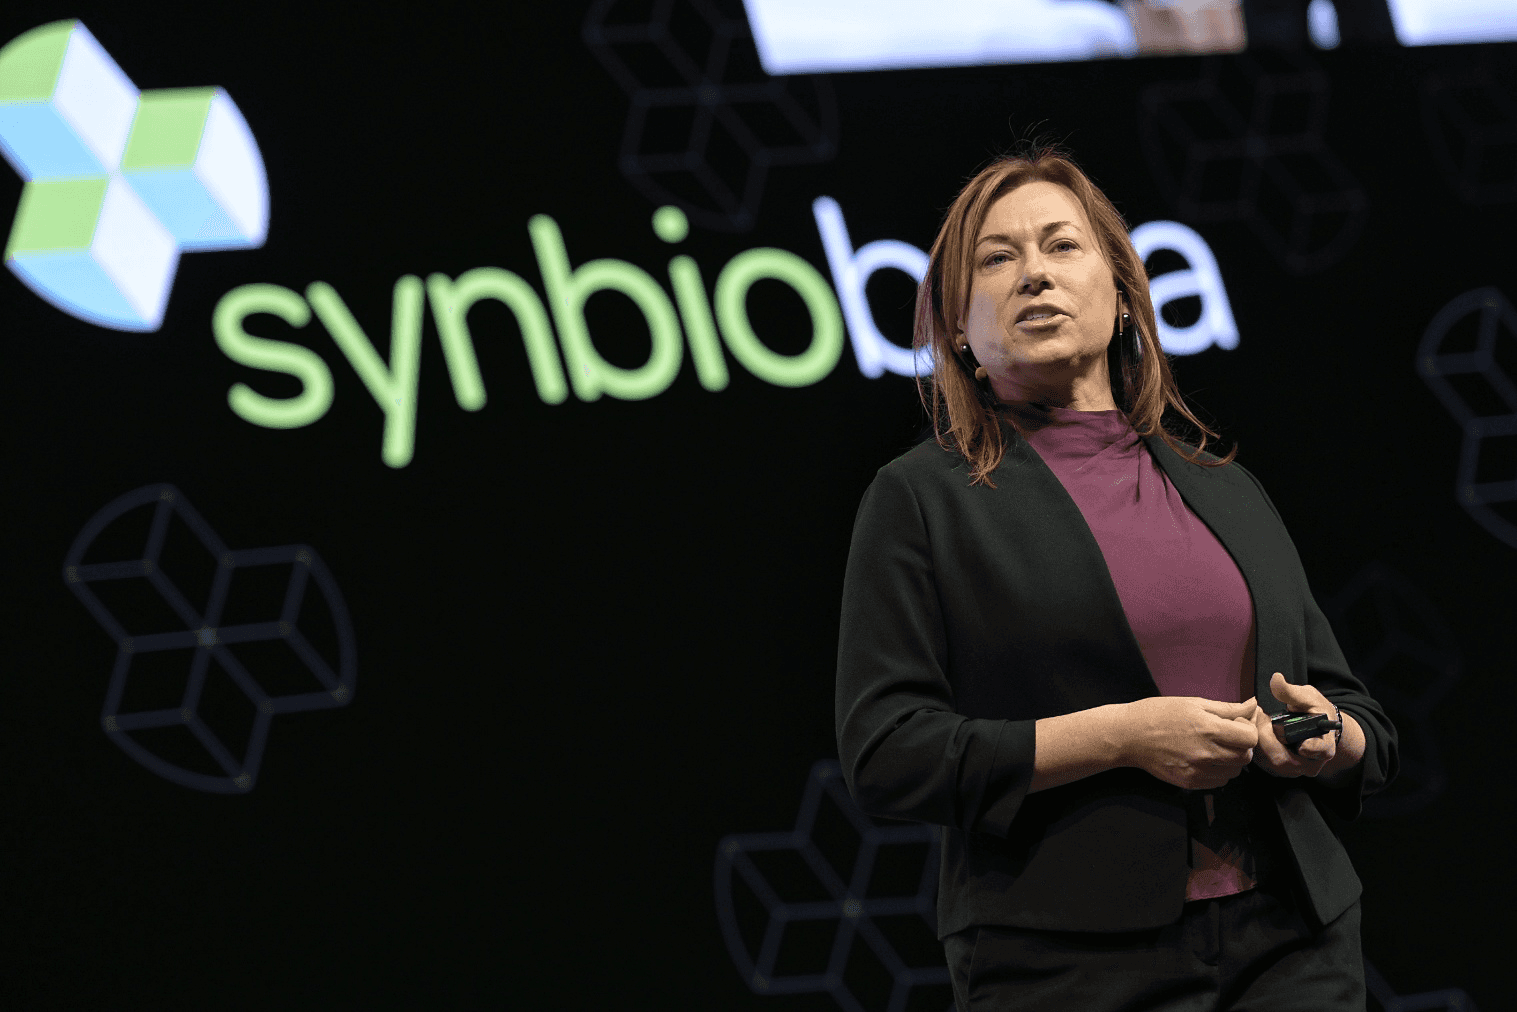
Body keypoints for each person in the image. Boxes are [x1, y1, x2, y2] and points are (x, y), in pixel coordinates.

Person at [834, 145, 1397, 1011]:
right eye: (997, 257)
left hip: (1292, 940)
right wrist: (1120, 736)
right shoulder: (920, 499)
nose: (1033, 275)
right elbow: (887, 751)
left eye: (1061, 246)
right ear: (954, 324)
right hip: (1066, 960)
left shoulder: (1221, 485)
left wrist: (1323, 739)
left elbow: (1352, 714)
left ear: (1124, 293)